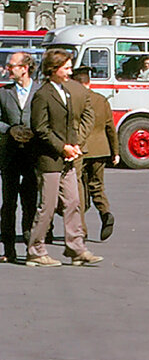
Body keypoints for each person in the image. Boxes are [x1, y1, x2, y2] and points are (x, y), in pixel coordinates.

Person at [26, 49, 99, 266]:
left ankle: (76, 248)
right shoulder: (43, 95)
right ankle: (36, 250)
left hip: (67, 156)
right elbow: (41, 129)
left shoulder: (64, 92)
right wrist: (63, 147)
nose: (70, 72)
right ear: (53, 69)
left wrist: (74, 145)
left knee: (73, 202)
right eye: (66, 67)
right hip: (49, 159)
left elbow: (69, 124)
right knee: (47, 206)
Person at [1, 51, 39, 262]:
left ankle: (30, 244)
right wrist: (9, 129)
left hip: (33, 155)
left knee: (31, 201)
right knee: (8, 203)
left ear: (24, 68)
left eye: (12, 65)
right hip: (10, 155)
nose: (8, 69)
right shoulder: (4, 93)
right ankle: (8, 249)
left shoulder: (40, 91)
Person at [74, 67, 118, 242]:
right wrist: (115, 152)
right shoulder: (101, 100)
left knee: (79, 191)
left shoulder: (75, 100)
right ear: (89, 82)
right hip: (101, 149)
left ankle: (81, 230)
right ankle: (105, 212)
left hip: (80, 149)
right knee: (97, 185)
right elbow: (110, 127)